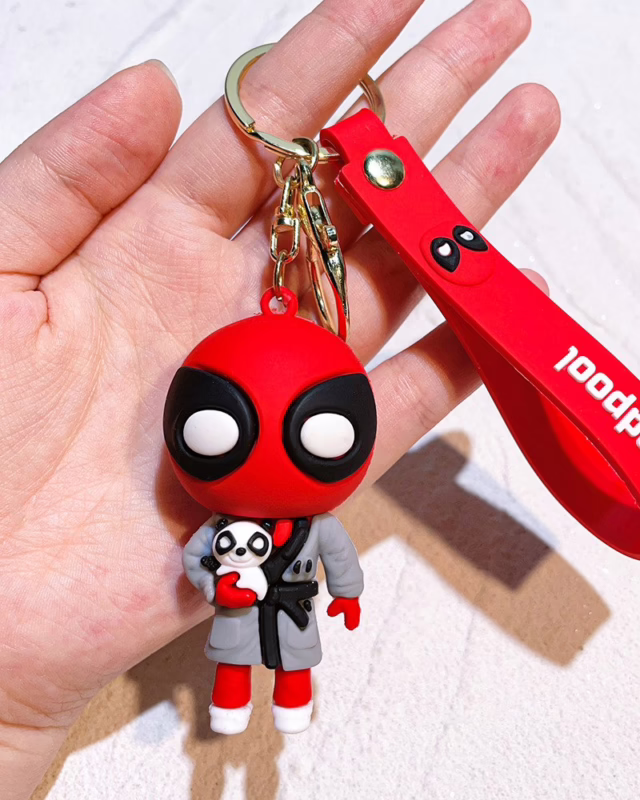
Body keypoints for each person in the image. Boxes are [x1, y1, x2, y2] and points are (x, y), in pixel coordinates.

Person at [0, 0, 558, 797]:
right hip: (236, 603)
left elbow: (335, 558)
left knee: (295, 654)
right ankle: (235, 703)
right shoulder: (225, 520)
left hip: (292, 601)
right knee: (234, 652)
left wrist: (348, 595)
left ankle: (290, 700)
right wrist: (215, 580)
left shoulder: (310, 522)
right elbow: (200, 562)